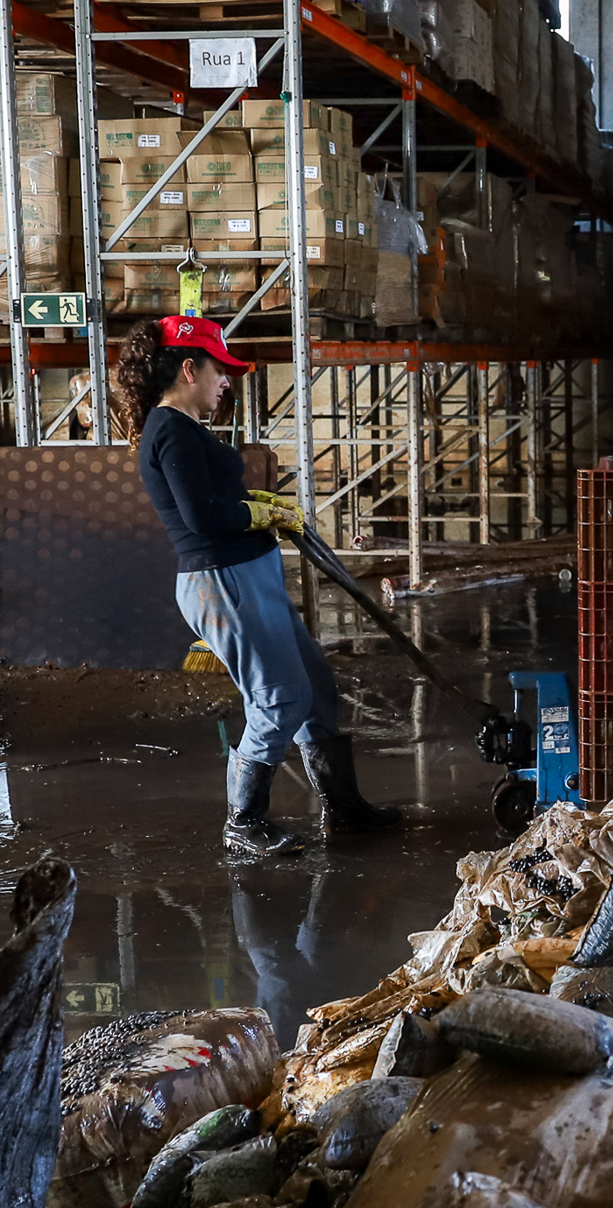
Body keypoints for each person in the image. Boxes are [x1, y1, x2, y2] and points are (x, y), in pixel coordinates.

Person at [111, 315, 402, 855]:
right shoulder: (170, 427)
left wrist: (264, 507)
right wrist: (258, 513)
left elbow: (214, 501)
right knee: (279, 698)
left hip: (248, 574)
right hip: (221, 581)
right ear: (189, 368)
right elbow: (200, 516)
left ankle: (345, 809)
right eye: (222, 370)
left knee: (314, 687)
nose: (227, 381)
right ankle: (243, 822)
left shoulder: (186, 427)